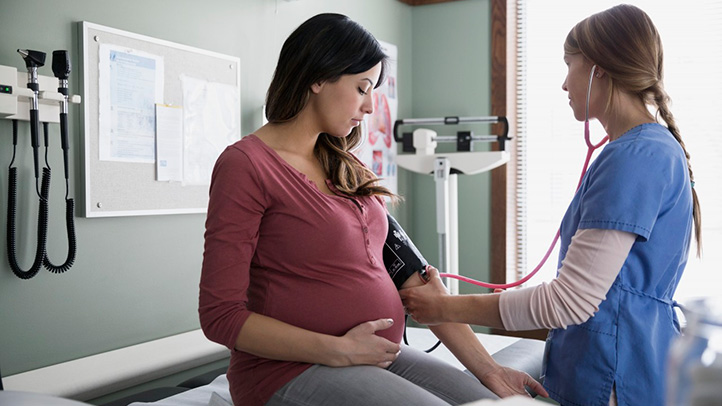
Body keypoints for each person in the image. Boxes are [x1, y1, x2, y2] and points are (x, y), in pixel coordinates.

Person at [198, 12, 547, 406]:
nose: (369, 106)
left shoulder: (346, 166)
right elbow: (219, 315)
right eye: (362, 87)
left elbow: (415, 282)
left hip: (376, 357)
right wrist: (337, 349)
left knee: (497, 403)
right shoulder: (246, 165)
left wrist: (490, 370)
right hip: (288, 370)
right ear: (317, 77)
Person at [400, 4, 701, 406]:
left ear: (599, 70)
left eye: (569, 65)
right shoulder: (648, 151)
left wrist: (443, 307)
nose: (564, 84)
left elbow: (569, 300)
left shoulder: (635, 158)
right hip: (623, 361)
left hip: (614, 375)